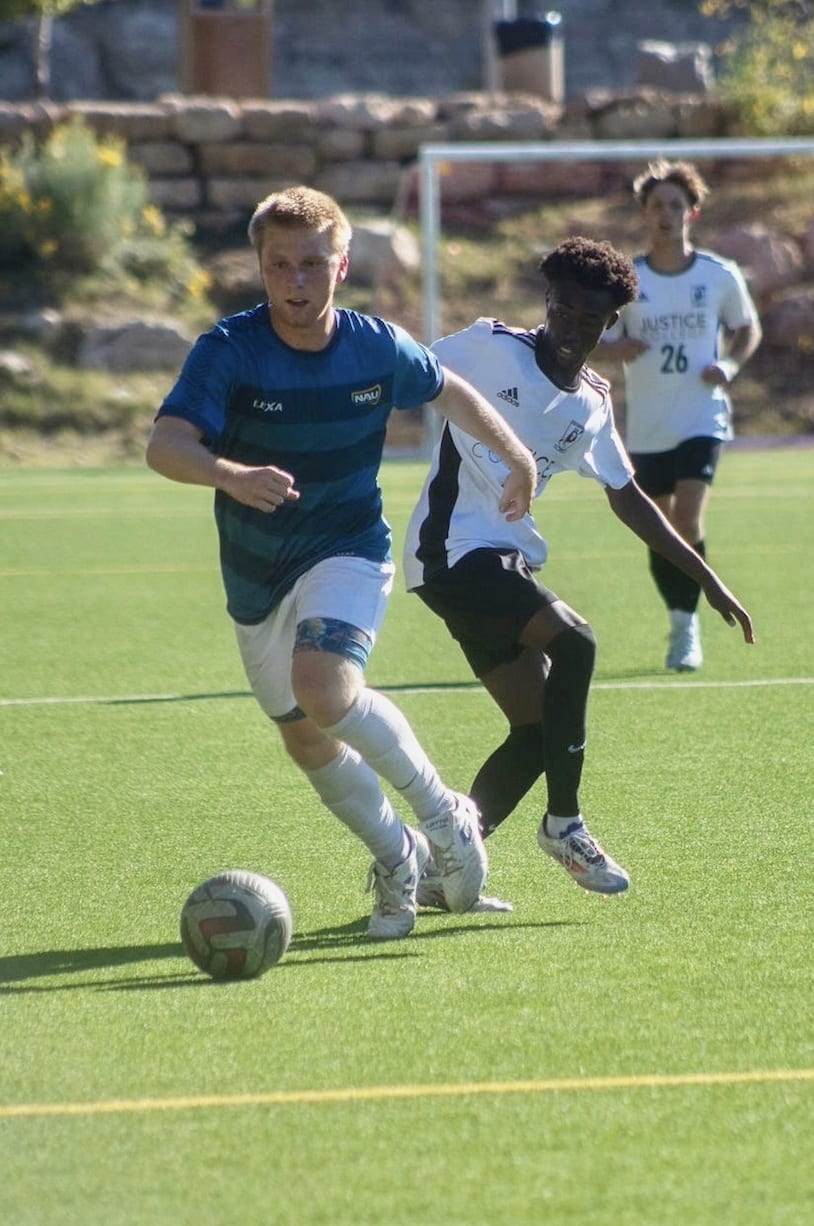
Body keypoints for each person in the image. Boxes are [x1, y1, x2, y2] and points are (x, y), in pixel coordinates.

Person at [146, 186, 518, 939]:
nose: (295, 280)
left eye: (312, 263)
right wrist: (228, 473)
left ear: (341, 266)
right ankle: (398, 858)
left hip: (348, 545)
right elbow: (166, 444)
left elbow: (450, 392)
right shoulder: (230, 349)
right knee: (303, 733)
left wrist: (512, 453)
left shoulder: (376, 346)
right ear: (260, 267)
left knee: (324, 688)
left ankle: (446, 817)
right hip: (256, 574)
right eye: (278, 264)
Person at [407, 238, 757, 907]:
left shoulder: (593, 400)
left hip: (497, 561)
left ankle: (438, 869)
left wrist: (707, 578)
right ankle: (564, 825)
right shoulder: (489, 346)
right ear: (548, 302)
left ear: (610, 325)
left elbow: (627, 496)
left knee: (540, 730)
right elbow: (406, 369)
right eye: (564, 310)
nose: (573, 330)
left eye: (590, 321)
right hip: (449, 550)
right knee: (577, 640)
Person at [593, 160, 759, 674]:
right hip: (647, 425)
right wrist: (614, 348)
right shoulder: (628, 279)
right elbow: (590, 337)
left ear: (693, 213)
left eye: (676, 205)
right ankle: (679, 612)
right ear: (643, 213)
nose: (666, 214)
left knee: (688, 519)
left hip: (701, 416)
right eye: (657, 205)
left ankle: (687, 627)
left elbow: (747, 328)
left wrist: (729, 364)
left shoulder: (718, 275)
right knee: (660, 528)